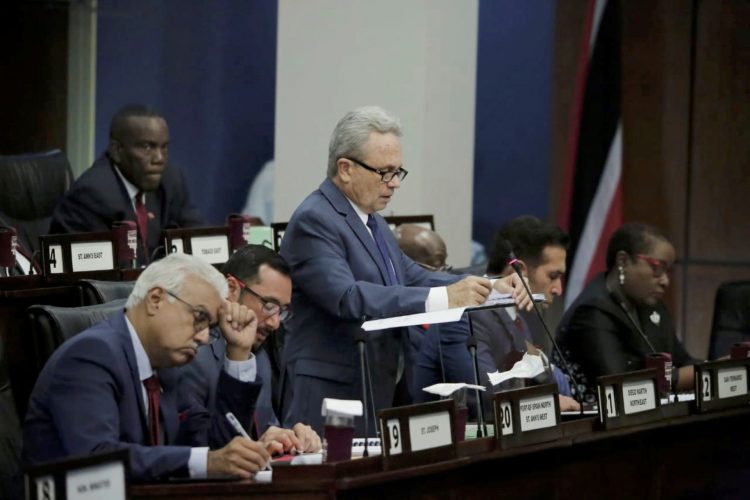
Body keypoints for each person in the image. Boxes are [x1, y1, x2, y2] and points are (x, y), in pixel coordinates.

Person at [279, 106, 532, 433]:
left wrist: (490, 285)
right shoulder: (315, 220)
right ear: (345, 169)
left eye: (398, 171)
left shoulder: (372, 219)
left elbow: (411, 275)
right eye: (385, 172)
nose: (395, 183)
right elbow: (347, 297)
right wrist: (443, 298)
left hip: (374, 385)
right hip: (331, 391)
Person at [23, 253, 273, 481]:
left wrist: (238, 353)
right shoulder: (90, 355)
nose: (205, 337)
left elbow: (214, 450)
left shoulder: (168, 365)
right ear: (155, 299)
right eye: (199, 318)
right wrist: (207, 461)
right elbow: (97, 461)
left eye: (210, 325)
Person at [181, 244, 321, 453]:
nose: (275, 323)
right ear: (232, 289)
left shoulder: (259, 356)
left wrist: (289, 438)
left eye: (282, 311)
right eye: (269, 305)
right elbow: (199, 450)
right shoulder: (191, 356)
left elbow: (264, 431)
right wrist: (258, 446)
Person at [555, 222, 698, 403]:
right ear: (623, 261)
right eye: (658, 268)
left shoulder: (650, 305)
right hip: (595, 424)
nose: (665, 281)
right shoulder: (592, 311)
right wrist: (679, 377)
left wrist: (720, 368)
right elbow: (619, 385)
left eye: (667, 271)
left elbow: (683, 361)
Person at [49, 104, 204, 264]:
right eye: (146, 147)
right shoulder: (92, 195)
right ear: (117, 150)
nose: (159, 158)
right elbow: (97, 273)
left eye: (164, 147)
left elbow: (200, 238)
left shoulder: (171, 181)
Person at [474, 217, 578, 412]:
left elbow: (544, 384)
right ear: (520, 271)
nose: (558, 290)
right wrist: (548, 404)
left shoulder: (519, 319)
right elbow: (487, 396)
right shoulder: (474, 313)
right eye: (552, 276)